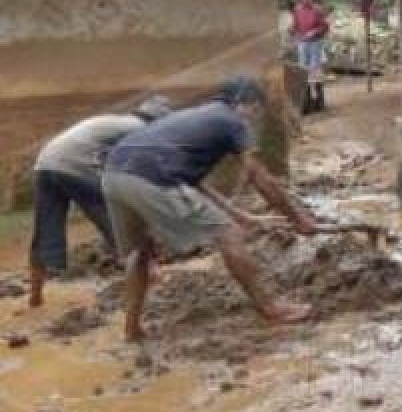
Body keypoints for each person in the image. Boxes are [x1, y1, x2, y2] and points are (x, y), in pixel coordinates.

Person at [102, 77, 317, 341]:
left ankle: (131, 328)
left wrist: (242, 215)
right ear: (245, 104)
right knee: (230, 236)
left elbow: (195, 185)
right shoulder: (233, 121)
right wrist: (298, 219)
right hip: (152, 178)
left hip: (113, 175)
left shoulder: (196, 118)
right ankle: (272, 308)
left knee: (139, 252)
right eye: (256, 111)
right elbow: (261, 177)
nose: (254, 121)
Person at [28, 96, 173, 308]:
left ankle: (35, 296)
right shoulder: (141, 130)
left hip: (45, 164)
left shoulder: (118, 122)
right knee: (120, 225)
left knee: (44, 232)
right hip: (76, 167)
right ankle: (151, 278)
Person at [291, 0, 330, 112]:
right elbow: (295, 25)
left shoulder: (317, 9)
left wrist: (315, 32)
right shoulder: (297, 9)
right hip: (302, 42)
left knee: (314, 69)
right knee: (302, 68)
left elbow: (325, 27)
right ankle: (305, 97)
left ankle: (316, 97)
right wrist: (294, 33)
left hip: (315, 42)